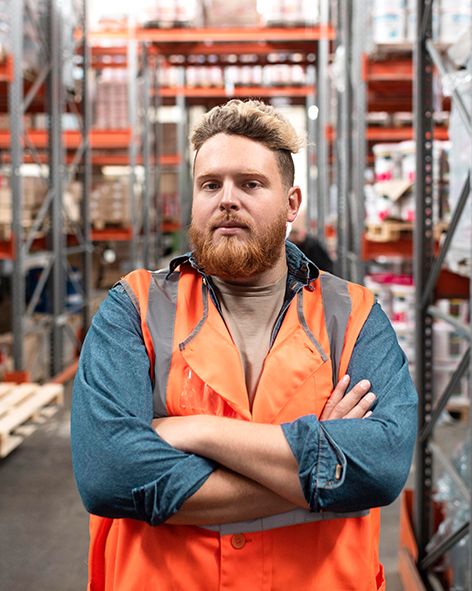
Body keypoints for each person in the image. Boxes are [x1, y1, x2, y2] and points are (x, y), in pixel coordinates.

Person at [71, 99, 417, 591]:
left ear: (292, 203)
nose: (227, 199)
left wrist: (196, 432)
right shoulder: (135, 309)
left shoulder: (353, 315)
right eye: (210, 184)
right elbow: (109, 475)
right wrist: (326, 476)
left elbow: (380, 468)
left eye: (251, 184)